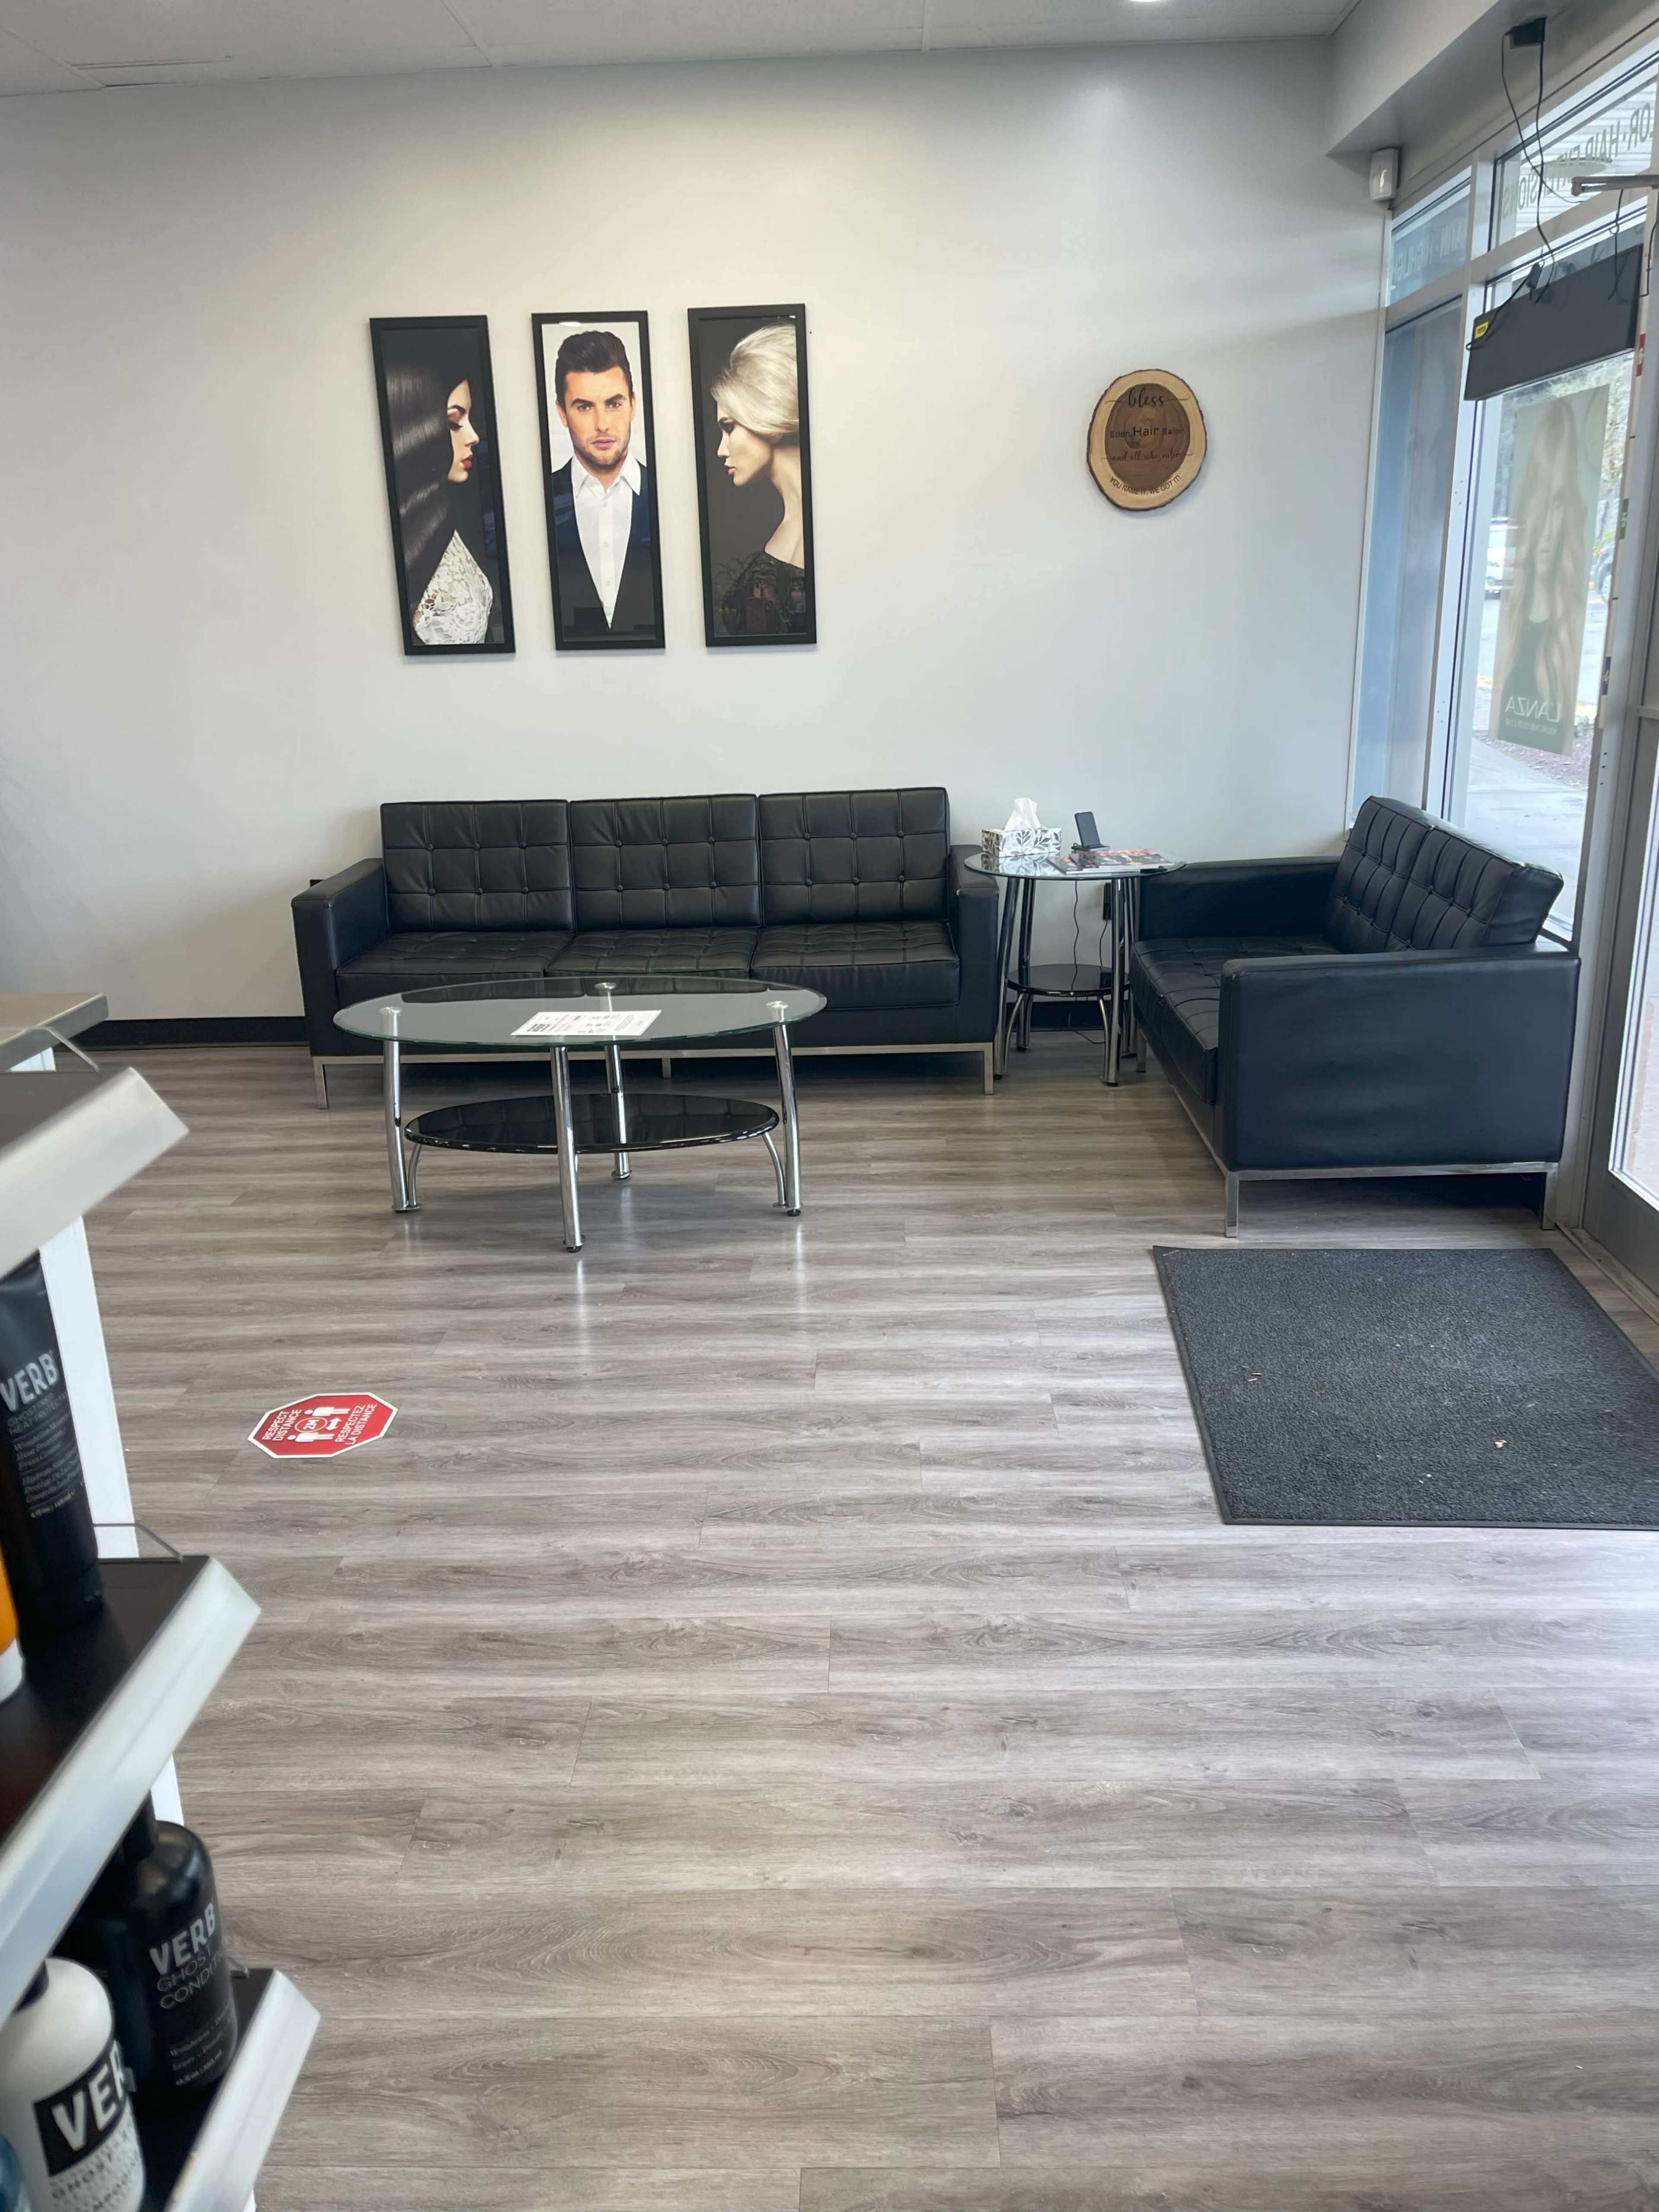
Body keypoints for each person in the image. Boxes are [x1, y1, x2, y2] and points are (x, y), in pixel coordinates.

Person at [383, 335, 502, 648]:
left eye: (468, 419)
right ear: (415, 426)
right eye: (454, 421)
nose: (474, 436)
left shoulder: (446, 518)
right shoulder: (395, 540)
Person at [1493, 392, 1595, 754]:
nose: (1550, 529)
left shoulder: (1567, 627)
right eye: (1543, 500)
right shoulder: (1515, 619)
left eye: (1560, 503)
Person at [547, 328, 658, 645]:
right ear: (562, 413)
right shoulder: (539, 500)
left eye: (614, 404)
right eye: (584, 407)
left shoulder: (669, 497)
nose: (602, 425)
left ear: (633, 405)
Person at [710, 322, 810, 638]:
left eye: (728, 428)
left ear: (766, 413)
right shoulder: (794, 523)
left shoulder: (826, 520)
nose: (721, 450)